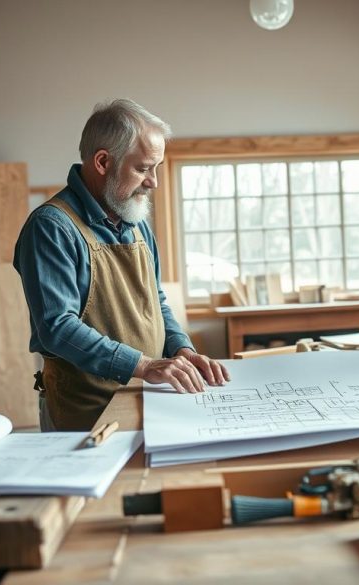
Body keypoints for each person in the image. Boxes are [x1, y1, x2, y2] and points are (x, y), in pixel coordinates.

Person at [14, 98, 229, 431]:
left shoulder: (135, 220)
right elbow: (56, 327)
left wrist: (181, 348)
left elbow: (154, 302)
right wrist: (143, 365)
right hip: (85, 411)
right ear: (102, 161)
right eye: (143, 168)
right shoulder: (52, 227)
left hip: (147, 397)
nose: (153, 181)